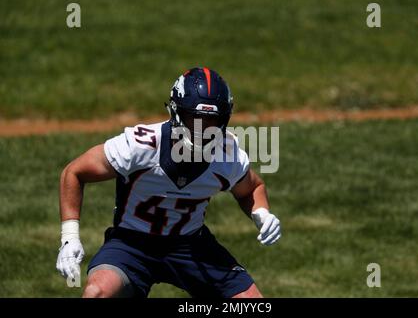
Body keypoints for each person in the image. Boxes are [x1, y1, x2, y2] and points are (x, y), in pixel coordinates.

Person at [56, 67, 281, 298]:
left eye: (212, 121)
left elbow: (251, 188)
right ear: (176, 112)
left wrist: (261, 213)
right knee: (97, 293)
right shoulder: (140, 145)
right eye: (196, 120)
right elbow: (74, 172)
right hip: (132, 243)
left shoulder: (227, 153)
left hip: (190, 245)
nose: (203, 130)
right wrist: (69, 237)